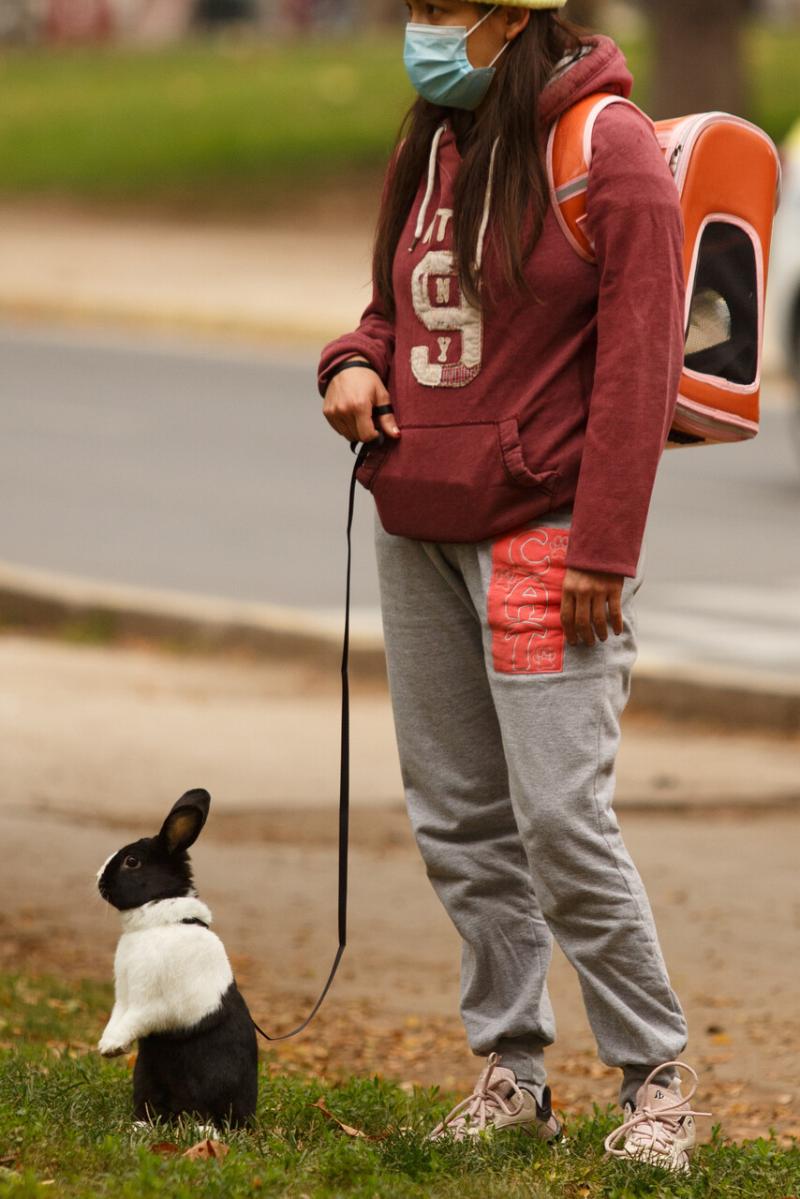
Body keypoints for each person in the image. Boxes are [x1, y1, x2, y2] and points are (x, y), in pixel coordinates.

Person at [318, 0, 709, 1173]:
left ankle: (656, 1082)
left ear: (510, 13)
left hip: (545, 536)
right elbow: (390, 313)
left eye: (439, 8)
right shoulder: (429, 140)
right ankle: (513, 1072)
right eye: (411, 8)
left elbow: (640, 362)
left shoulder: (607, 146)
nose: (419, 28)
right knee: (457, 821)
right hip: (416, 520)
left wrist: (603, 545)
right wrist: (347, 364)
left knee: (555, 817)